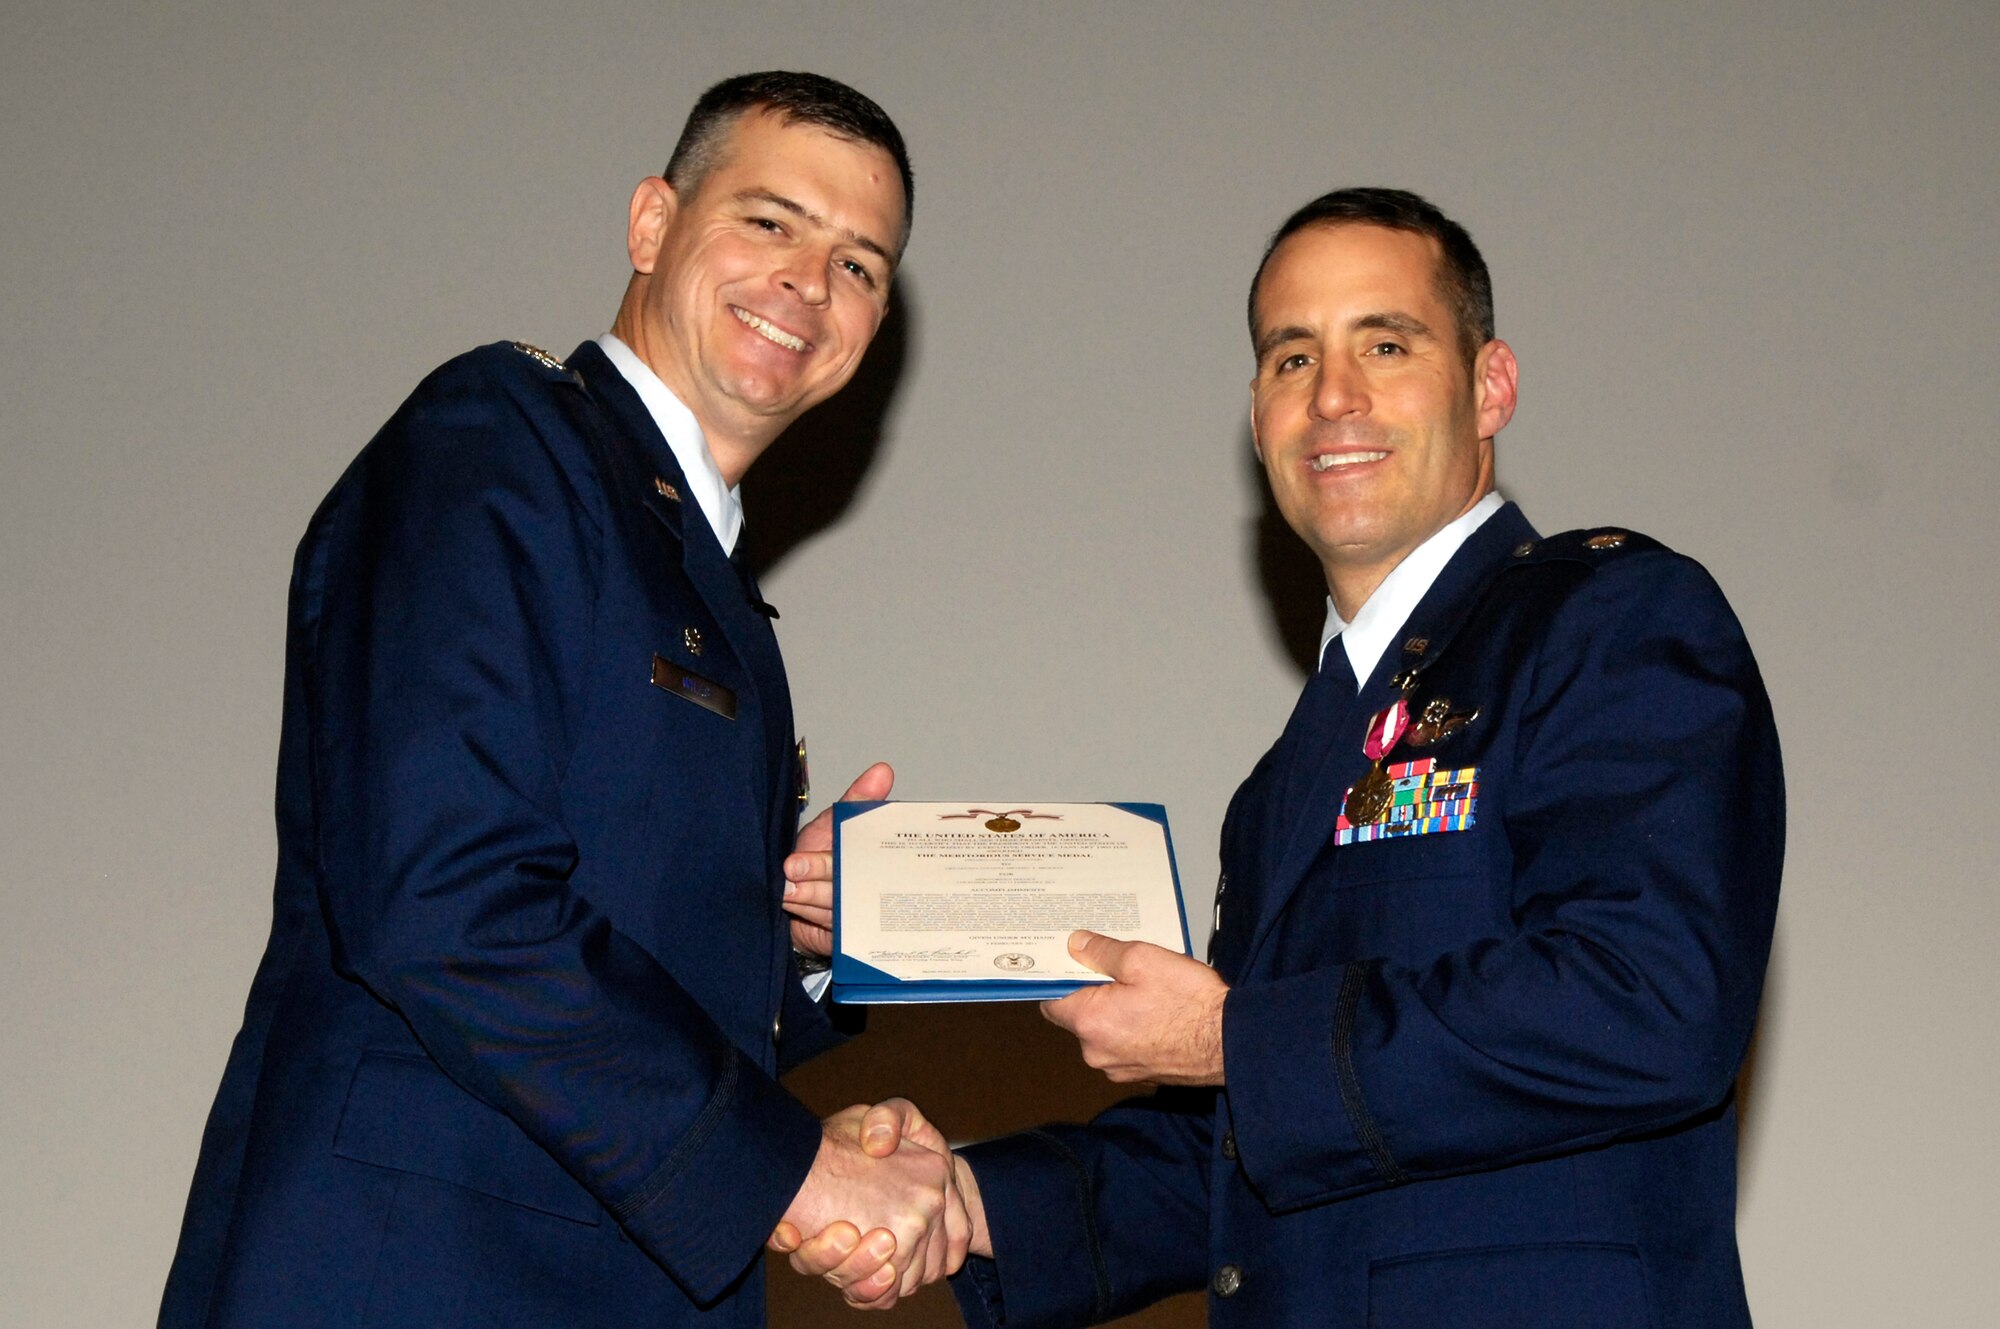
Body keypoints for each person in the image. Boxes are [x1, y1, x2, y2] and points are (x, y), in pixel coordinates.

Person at [786, 188, 1784, 1327]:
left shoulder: (1608, 618)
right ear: (1256, 417)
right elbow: (1237, 1149)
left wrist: (1227, 1037)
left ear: (1489, 385)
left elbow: (1650, 1002)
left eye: (1387, 344)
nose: (1333, 398)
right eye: (1290, 357)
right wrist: (961, 1200)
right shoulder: (1286, 780)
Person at [158, 71, 966, 1329]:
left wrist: (790, 945)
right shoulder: (502, 438)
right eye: (769, 221)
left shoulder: (705, 577)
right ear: (651, 225)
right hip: (417, 1270)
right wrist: (791, 1171)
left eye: (860, 264)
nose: (812, 282)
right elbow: (441, 893)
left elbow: (610, 906)